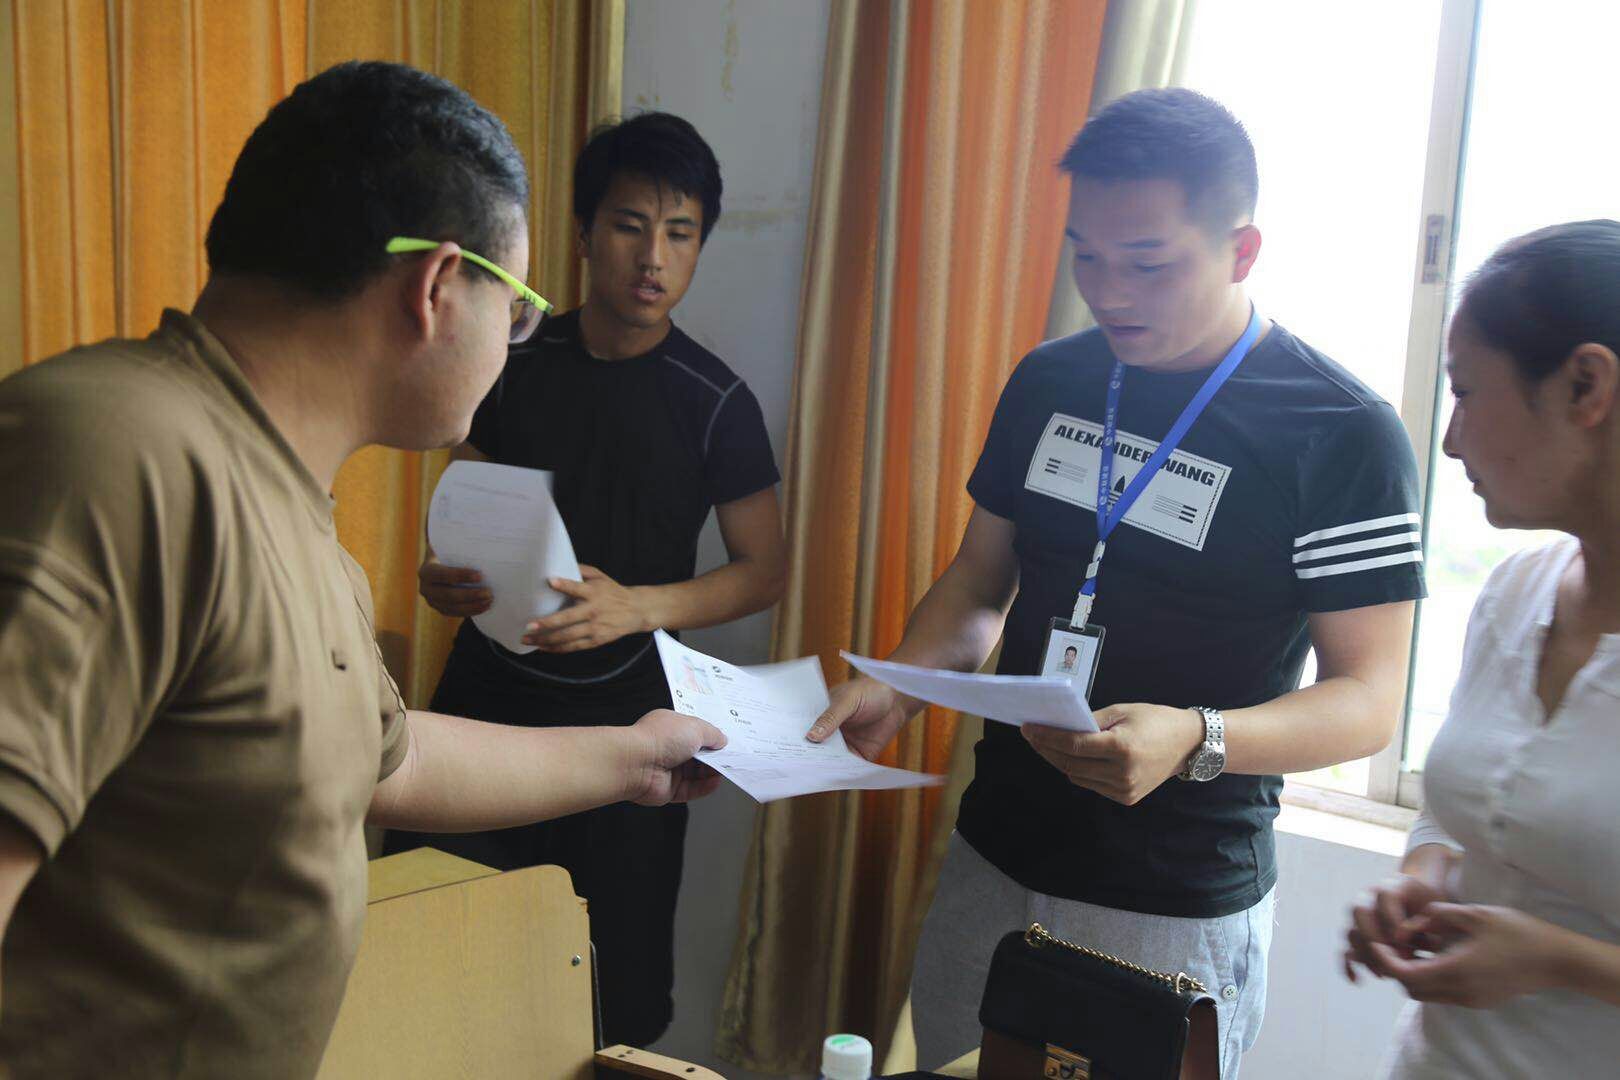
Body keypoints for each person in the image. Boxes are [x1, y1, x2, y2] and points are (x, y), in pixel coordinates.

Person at [0, 62, 724, 1079]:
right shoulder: (117, 460)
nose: (514, 343)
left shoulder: (285, 509)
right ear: (438, 287)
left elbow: (392, 762)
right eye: (515, 309)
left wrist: (636, 757)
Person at [807, 88, 1425, 1078]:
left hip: (1172, 895)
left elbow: (1368, 700)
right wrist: (900, 683)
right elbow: (978, 585)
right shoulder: (1052, 380)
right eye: (1086, 256)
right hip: (996, 852)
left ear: (1242, 250)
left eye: (1147, 263)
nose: (1109, 292)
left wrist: (1196, 738)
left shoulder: (1342, 433)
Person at [386, 111, 786, 1047]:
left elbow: (764, 570)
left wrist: (639, 607)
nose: (653, 257)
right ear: (583, 234)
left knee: (612, 999)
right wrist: (441, 578)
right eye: (629, 226)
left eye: (680, 233)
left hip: (632, 721)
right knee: (433, 960)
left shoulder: (716, 401)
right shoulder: (509, 359)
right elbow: (461, 513)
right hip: (485, 704)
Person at [1344, 220, 1620, 1079]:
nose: (1451, 439)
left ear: (1586, 385)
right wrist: (1426, 876)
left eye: (1465, 392)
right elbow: (1459, 809)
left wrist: (1562, 961)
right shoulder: (1515, 592)